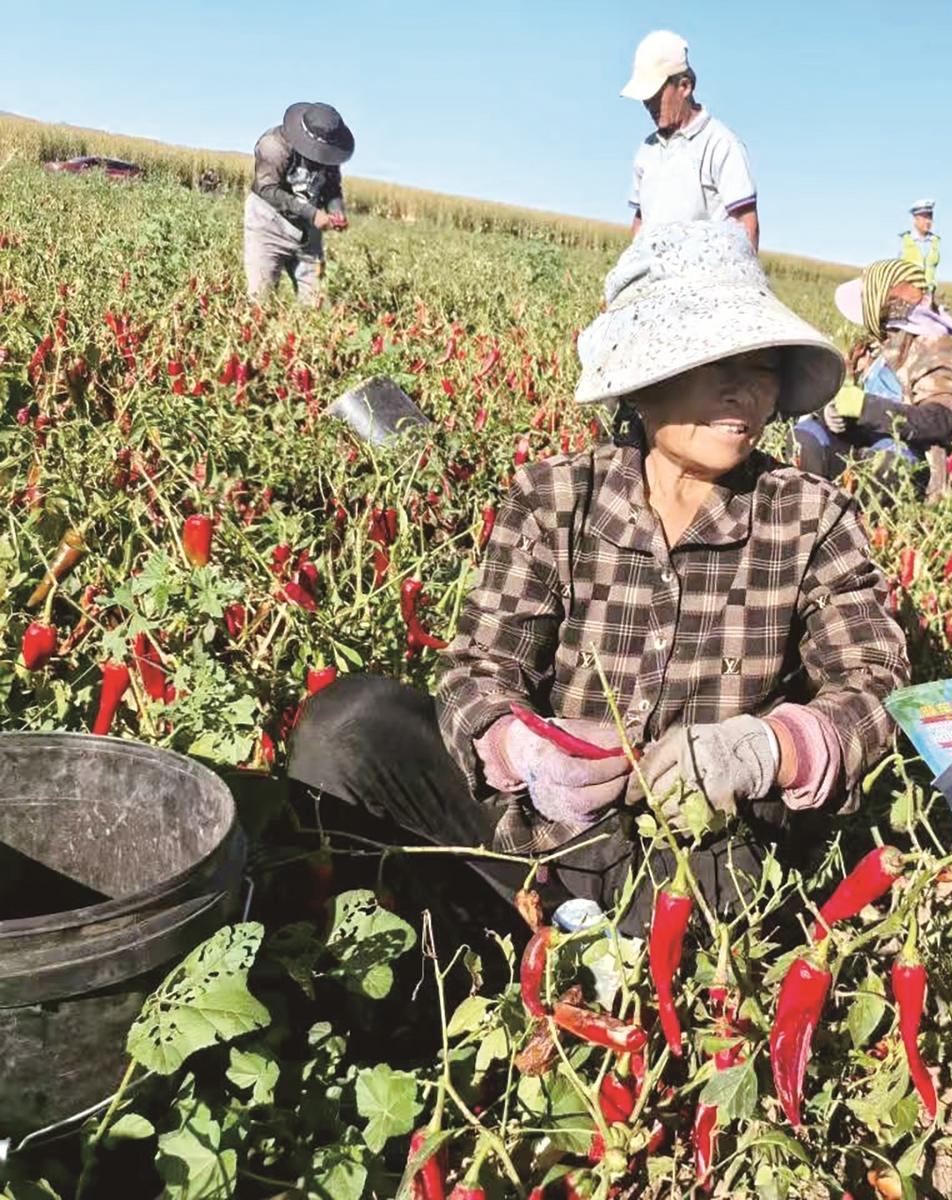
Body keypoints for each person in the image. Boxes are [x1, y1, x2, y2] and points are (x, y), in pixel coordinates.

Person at [287, 222, 908, 932]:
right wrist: (516, 745)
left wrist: (773, 748)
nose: (746, 391)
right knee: (349, 726)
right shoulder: (556, 495)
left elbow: (877, 685)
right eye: (717, 362)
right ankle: (368, 946)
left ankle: (583, 959)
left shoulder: (808, 516)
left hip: (698, 856)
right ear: (643, 383)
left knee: (703, 877)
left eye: (763, 367)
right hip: (535, 835)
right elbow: (477, 667)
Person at [792, 259, 952, 496]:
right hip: (861, 444)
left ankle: (865, 526)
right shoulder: (874, 345)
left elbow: (939, 419)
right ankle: (815, 510)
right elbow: (847, 398)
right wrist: (832, 414)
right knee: (807, 437)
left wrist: (866, 408)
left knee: (887, 462)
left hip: (907, 455)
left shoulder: (934, 346)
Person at [623, 30, 758, 249]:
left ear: (684, 86)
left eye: (655, 95)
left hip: (706, 278)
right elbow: (640, 220)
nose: (649, 104)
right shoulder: (647, 150)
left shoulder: (721, 145)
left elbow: (746, 226)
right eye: (645, 98)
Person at [244, 102, 353, 304]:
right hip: (269, 224)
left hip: (307, 233)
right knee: (259, 301)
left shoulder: (330, 151)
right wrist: (313, 213)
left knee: (315, 303)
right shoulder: (273, 145)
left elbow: (331, 188)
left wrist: (336, 210)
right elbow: (267, 189)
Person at [900, 200, 940, 294]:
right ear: (915, 219)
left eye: (930, 217)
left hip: (928, 294)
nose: (927, 221)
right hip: (907, 294)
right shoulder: (904, 240)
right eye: (924, 217)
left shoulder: (935, 241)